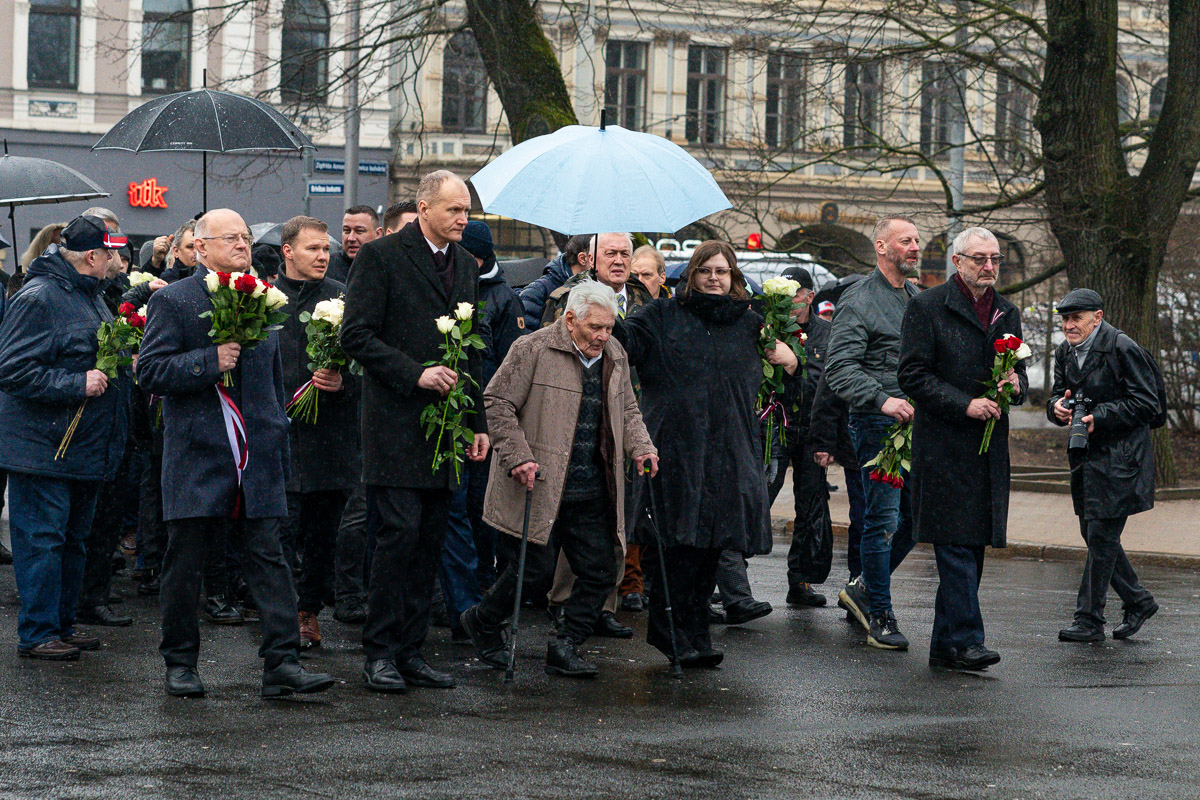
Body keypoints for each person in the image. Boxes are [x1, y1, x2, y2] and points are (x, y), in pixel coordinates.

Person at [138, 208, 335, 699]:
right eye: (231, 238)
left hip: (258, 456)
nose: (243, 245)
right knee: (185, 564)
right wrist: (210, 360)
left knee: (270, 559)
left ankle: (281, 664)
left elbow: (271, 382)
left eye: (246, 237)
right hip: (199, 453)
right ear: (200, 247)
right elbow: (152, 373)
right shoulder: (176, 301)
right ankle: (180, 662)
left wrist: (277, 438)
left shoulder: (267, 300)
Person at [460, 280, 657, 677]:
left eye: (608, 327)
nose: (603, 335)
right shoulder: (532, 348)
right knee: (531, 573)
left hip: (592, 486)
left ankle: (566, 644)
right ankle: (482, 621)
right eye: (595, 327)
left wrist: (643, 447)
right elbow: (496, 403)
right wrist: (517, 456)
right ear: (570, 320)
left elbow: (629, 409)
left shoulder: (614, 353)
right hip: (541, 482)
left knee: (602, 569)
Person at [341, 169, 489, 693]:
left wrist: (476, 423)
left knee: (429, 541)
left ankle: (411, 650)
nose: (463, 219)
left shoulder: (467, 266)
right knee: (397, 538)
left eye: (467, 211)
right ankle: (379, 652)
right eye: (454, 210)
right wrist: (414, 373)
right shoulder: (382, 257)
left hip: (445, 429)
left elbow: (472, 349)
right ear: (424, 208)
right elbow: (355, 334)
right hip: (395, 423)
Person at [615, 240, 776, 667]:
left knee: (713, 546)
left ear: (734, 277)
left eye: (722, 271)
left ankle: (697, 634)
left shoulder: (751, 324)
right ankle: (672, 636)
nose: (713, 278)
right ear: (690, 276)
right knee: (675, 547)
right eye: (705, 270)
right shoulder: (662, 315)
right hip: (676, 447)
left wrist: (789, 358)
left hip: (731, 446)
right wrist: (605, 305)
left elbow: (781, 376)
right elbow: (624, 342)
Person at [0, 214, 130, 660]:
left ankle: (61, 625)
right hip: (43, 449)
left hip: (80, 448)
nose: (117, 259)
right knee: (43, 542)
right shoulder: (39, 297)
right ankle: (37, 633)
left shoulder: (89, 294)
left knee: (72, 541)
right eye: (111, 252)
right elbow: (12, 370)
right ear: (92, 256)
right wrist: (77, 383)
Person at [898, 227, 1027, 670]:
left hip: (988, 451)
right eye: (979, 259)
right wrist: (963, 403)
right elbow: (912, 375)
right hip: (944, 446)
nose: (988, 266)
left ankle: (944, 645)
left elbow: (1020, 371)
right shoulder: (927, 307)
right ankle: (969, 640)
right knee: (954, 546)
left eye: (994, 259)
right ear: (957, 262)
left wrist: (1015, 384)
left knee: (970, 548)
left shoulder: (1007, 312)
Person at [824, 214, 920, 651]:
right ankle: (879, 614)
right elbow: (839, 368)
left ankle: (862, 588)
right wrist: (883, 399)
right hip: (877, 424)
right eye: (906, 241)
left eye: (917, 240)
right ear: (882, 248)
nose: (915, 247)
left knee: (914, 520)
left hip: (915, 426)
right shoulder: (859, 299)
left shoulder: (917, 297)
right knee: (882, 520)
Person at [1047, 288, 1160, 643]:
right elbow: (1057, 392)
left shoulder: (1121, 346)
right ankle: (1138, 600)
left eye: (1076, 318)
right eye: (1065, 319)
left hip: (1122, 457)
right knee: (1093, 534)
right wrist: (1056, 409)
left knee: (1101, 535)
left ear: (1097, 317)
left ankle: (1089, 619)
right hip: (1084, 455)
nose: (1069, 325)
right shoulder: (1065, 351)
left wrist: (1102, 416)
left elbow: (1149, 404)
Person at [275, 216, 360, 650]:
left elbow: (367, 365)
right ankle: (282, 613)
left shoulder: (344, 297)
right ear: (288, 251)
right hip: (281, 438)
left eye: (325, 249)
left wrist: (345, 383)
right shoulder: (263, 300)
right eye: (312, 249)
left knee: (323, 535)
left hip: (330, 439)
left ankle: (308, 612)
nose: (323, 256)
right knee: (281, 534)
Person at [459, 220, 527, 597]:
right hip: (450, 415)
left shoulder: (503, 298)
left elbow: (512, 368)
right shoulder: (448, 285)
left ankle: (483, 577)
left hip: (484, 421)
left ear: (479, 257)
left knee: (479, 504)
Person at [772, 266, 835, 608]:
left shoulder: (827, 333)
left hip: (812, 430)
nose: (789, 304)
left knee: (809, 507)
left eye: (795, 296)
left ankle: (800, 581)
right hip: (775, 427)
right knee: (757, 499)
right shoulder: (769, 329)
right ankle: (730, 581)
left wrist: (795, 364)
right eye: (783, 297)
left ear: (810, 297)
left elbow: (826, 385)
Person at [518, 234, 592, 330]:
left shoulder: (604, 288)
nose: (617, 261)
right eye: (609, 254)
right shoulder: (539, 290)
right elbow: (525, 338)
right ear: (583, 258)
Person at [328, 205, 382, 284]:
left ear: (377, 234)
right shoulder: (327, 268)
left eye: (359, 231)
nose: (351, 238)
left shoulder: (391, 267)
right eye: (347, 231)